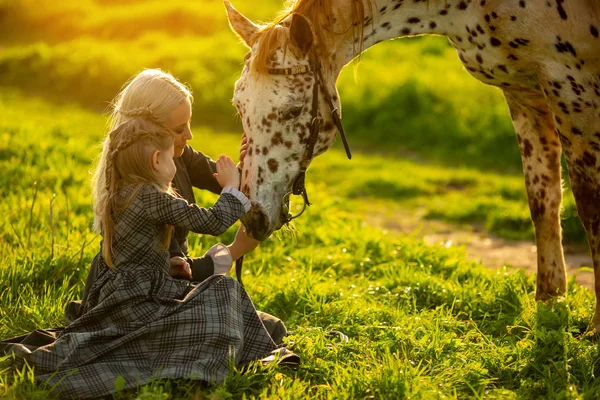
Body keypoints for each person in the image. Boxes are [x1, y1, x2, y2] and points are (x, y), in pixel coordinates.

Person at [3, 118, 283, 399]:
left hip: (120, 294)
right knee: (225, 289)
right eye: (172, 157)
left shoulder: (121, 191)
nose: (178, 161)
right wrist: (231, 188)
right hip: (140, 300)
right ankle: (197, 367)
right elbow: (212, 222)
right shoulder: (152, 197)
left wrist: (162, 261)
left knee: (224, 301)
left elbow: (133, 250)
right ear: (156, 160)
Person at [66, 69, 288, 343]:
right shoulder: (142, 193)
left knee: (263, 327)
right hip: (146, 296)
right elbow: (176, 267)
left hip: (169, 284)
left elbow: (221, 179)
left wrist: (248, 165)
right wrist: (234, 251)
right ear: (152, 138)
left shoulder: (178, 156)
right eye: (180, 129)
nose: (190, 135)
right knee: (254, 329)